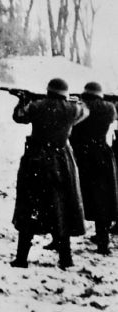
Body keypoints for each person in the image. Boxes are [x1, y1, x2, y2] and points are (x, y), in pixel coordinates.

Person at [11, 78, 89, 269]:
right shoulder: (72, 109)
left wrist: (24, 100)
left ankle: (22, 259)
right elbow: (84, 112)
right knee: (61, 208)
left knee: (30, 207)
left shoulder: (36, 106)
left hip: (35, 160)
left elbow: (19, 117)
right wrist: (72, 101)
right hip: (61, 161)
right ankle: (66, 259)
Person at [69, 82, 118, 255]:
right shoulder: (110, 108)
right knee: (101, 199)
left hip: (80, 155)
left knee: (72, 196)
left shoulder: (80, 108)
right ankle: (103, 243)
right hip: (101, 155)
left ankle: (60, 240)